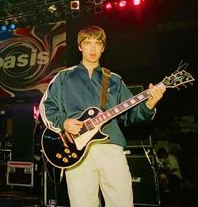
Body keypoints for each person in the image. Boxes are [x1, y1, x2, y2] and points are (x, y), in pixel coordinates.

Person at [39, 25, 166, 207]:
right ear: (80, 46)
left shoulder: (114, 79)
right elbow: (47, 107)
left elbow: (131, 116)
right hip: (76, 150)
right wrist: (64, 122)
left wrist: (149, 104)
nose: (92, 48)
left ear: (103, 47)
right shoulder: (63, 77)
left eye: (97, 43)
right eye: (87, 43)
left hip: (111, 147)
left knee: (122, 202)